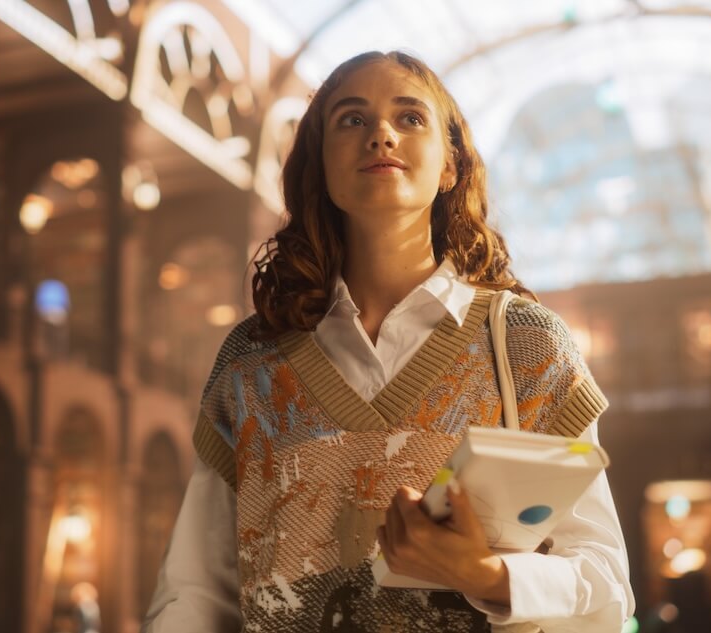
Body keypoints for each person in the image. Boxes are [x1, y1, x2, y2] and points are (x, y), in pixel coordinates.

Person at [142, 50, 634, 632]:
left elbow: (605, 586)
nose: (380, 134)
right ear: (320, 164)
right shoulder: (250, 364)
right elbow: (196, 595)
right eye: (352, 119)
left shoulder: (526, 347)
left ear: (451, 163)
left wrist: (485, 576)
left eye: (410, 118)